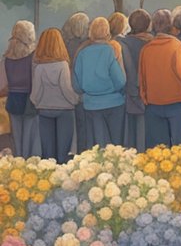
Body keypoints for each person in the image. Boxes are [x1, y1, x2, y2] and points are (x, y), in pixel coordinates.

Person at [140, 10, 181, 147]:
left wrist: (146, 98)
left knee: (158, 151)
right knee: (178, 149)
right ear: (170, 25)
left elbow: (142, 78)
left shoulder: (146, 49)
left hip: (153, 104)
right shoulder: (176, 46)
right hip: (177, 103)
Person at [73, 17, 126, 147]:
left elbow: (76, 85)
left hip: (91, 104)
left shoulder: (82, 53)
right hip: (114, 102)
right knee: (115, 145)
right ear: (107, 32)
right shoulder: (110, 50)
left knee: (97, 145)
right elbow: (120, 80)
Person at [31, 29, 79, 162]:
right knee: (64, 152)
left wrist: (37, 103)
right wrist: (75, 100)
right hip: (64, 110)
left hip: (44, 109)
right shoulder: (63, 65)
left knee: (47, 153)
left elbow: (36, 93)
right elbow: (66, 89)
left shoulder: (39, 67)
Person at [1, 21, 38, 158]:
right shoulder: (34, 56)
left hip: (13, 100)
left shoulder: (7, 58)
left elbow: (2, 84)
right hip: (30, 100)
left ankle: (19, 161)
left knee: (17, 137)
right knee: (29, 136)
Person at [118, 9, 153, 149]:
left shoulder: (121, 44)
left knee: (130, 137)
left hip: (128, 93)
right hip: (150, 94)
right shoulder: (153, 43)